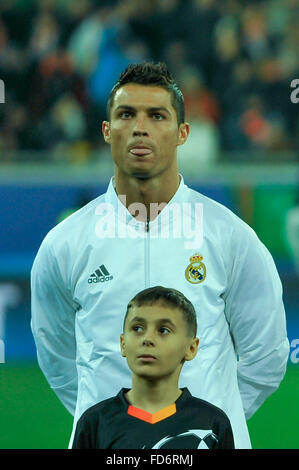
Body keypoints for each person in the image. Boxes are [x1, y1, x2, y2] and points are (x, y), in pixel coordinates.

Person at [31, 61, 289, 449]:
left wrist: (207, 419)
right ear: (106, 131)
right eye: (125, 114)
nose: (140, 127)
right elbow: (58, 360)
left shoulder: (230, 236)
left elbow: (266, 356)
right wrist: (117, 427)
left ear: (183, 132)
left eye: (156, 115)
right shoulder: (65, 243)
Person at [72, 286, 235, 449]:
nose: (147, 339)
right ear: (122, 344)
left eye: (163, 330)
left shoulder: (212, 423)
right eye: (137, 328)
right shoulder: (94, 423)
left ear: (191, 348)